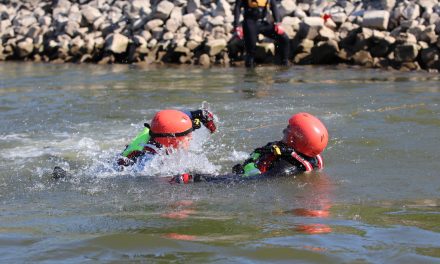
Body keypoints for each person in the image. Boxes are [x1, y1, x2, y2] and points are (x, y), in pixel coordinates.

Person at [171, 112, 328, 183]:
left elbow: (245, 182)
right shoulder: (310, 156)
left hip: (246, 175)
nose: (284, 130)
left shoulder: (284, 169)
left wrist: (195, 178)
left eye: (288, 129)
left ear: (294, 140)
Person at [117, 108, 216, 168]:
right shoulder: (152, 162)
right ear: (172, 140)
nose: (191, 138)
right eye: (188, 136)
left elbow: (168, 118)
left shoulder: (157, 133)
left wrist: (197, 114)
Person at [233, 0, 290, 67]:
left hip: (263, 23)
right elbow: (237, 7)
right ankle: (250, 72)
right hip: (250, 23)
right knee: (251, 48)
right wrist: (237, 26)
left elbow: (274, 6)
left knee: (284, 38)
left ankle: (284, 64)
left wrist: (278, 23)